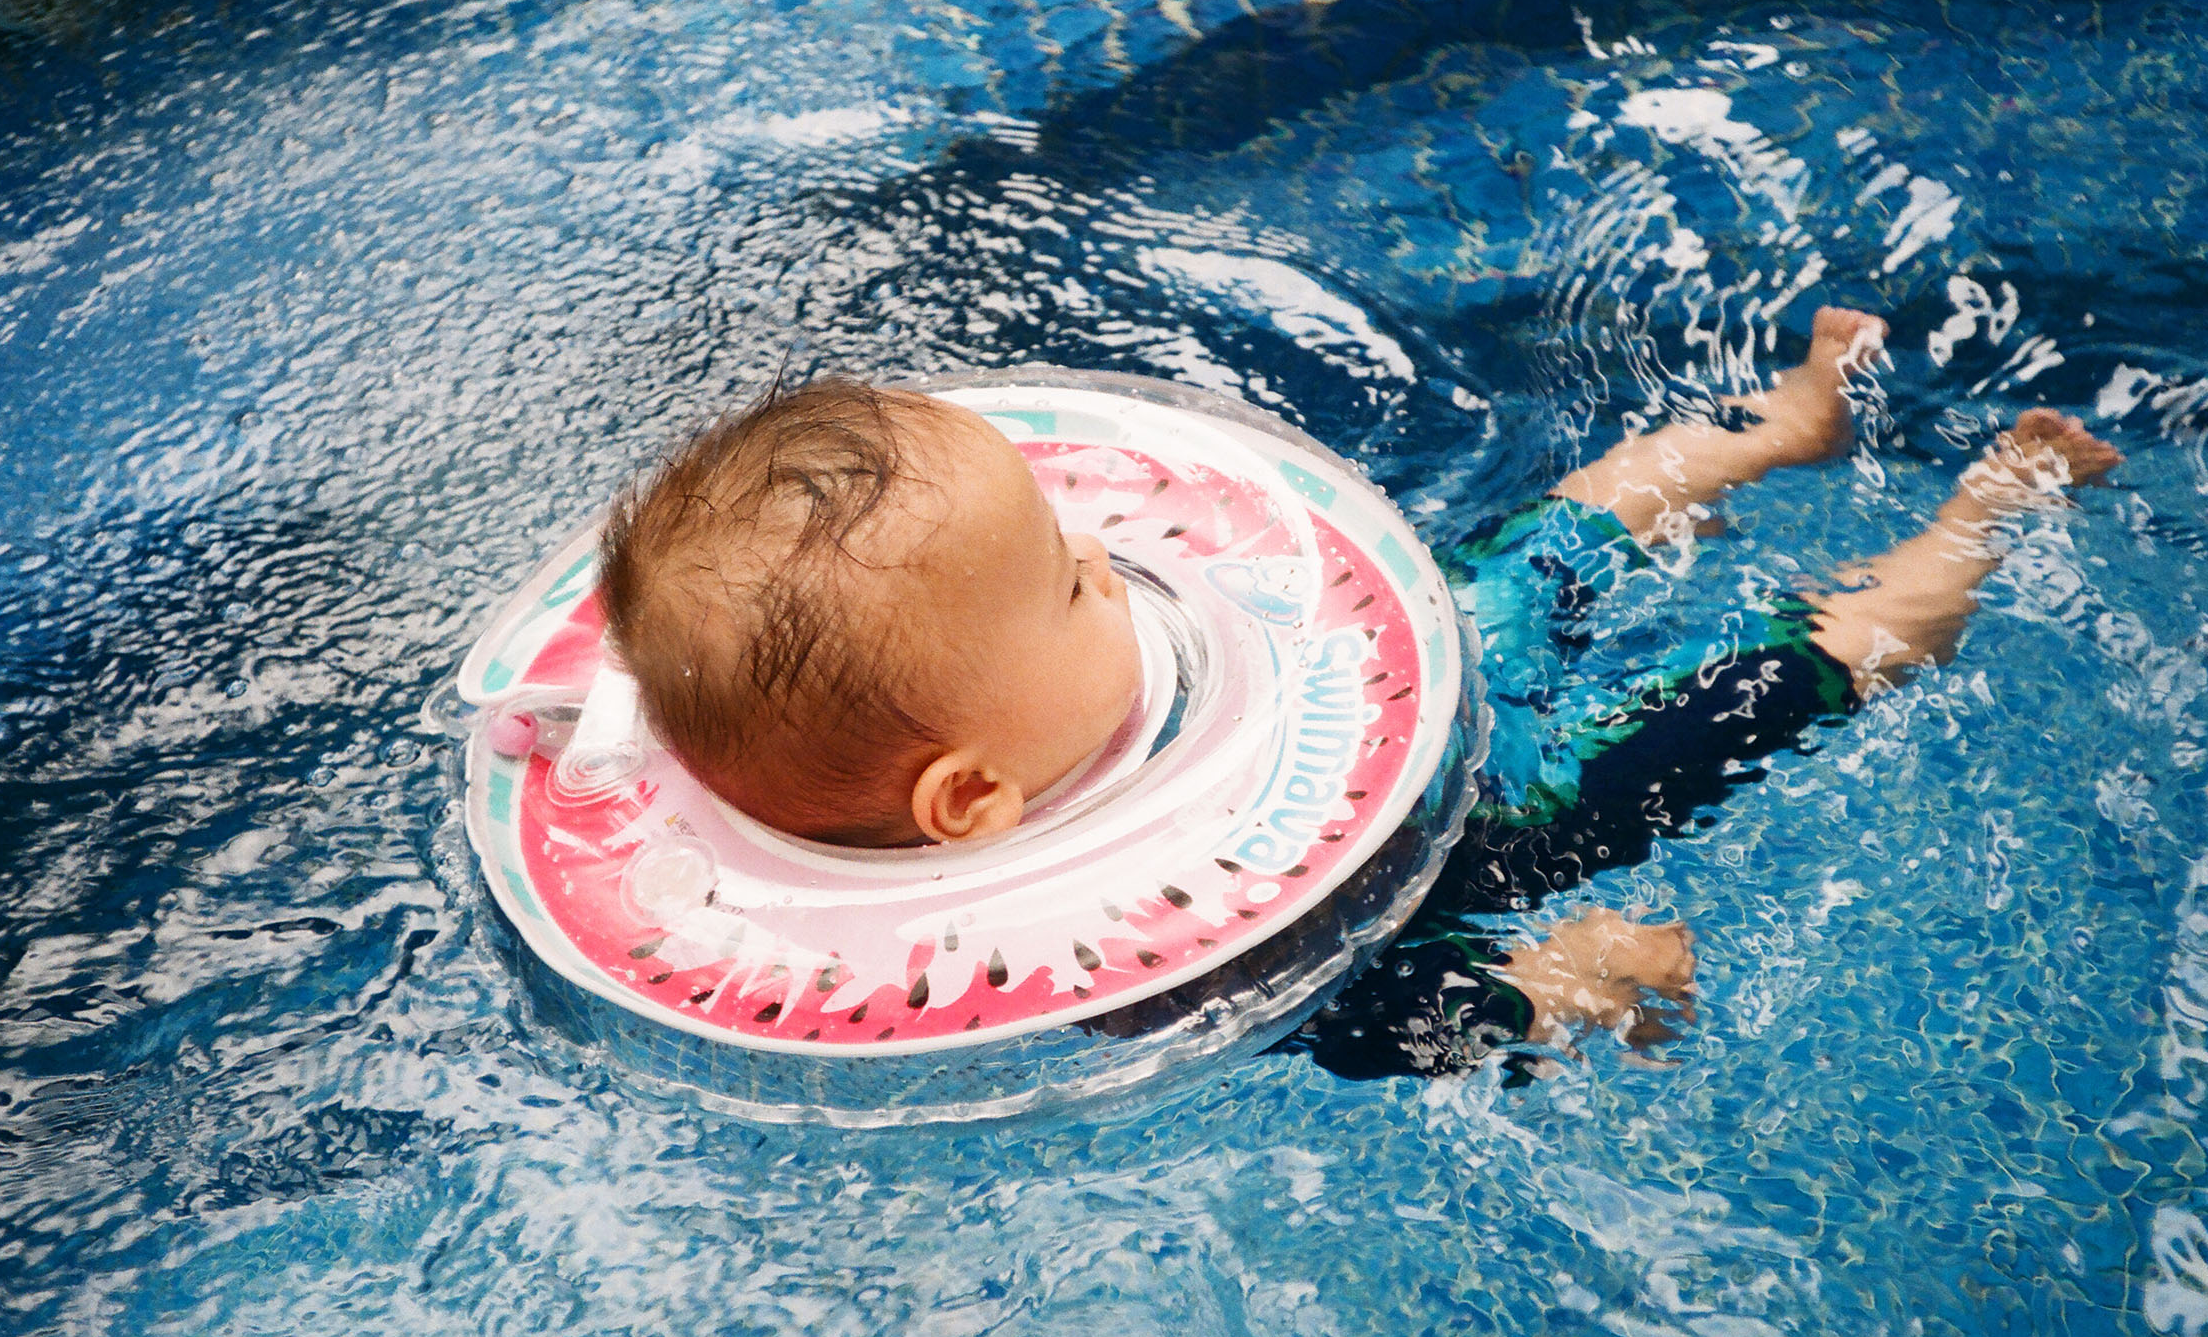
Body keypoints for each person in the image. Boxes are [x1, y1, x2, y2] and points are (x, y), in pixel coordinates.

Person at [591, 308, 2121, 1075]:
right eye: (1071, 587)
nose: (1117, 563)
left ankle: (1783, 430)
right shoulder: (1157, 953)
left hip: (1395, 667)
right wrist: (1581, 976)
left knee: (1572, 522)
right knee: (1792, 672)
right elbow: (1410, 1016)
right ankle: (1980, 519)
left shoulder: (1083, 680)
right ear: (971, 799)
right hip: (1518, 810)